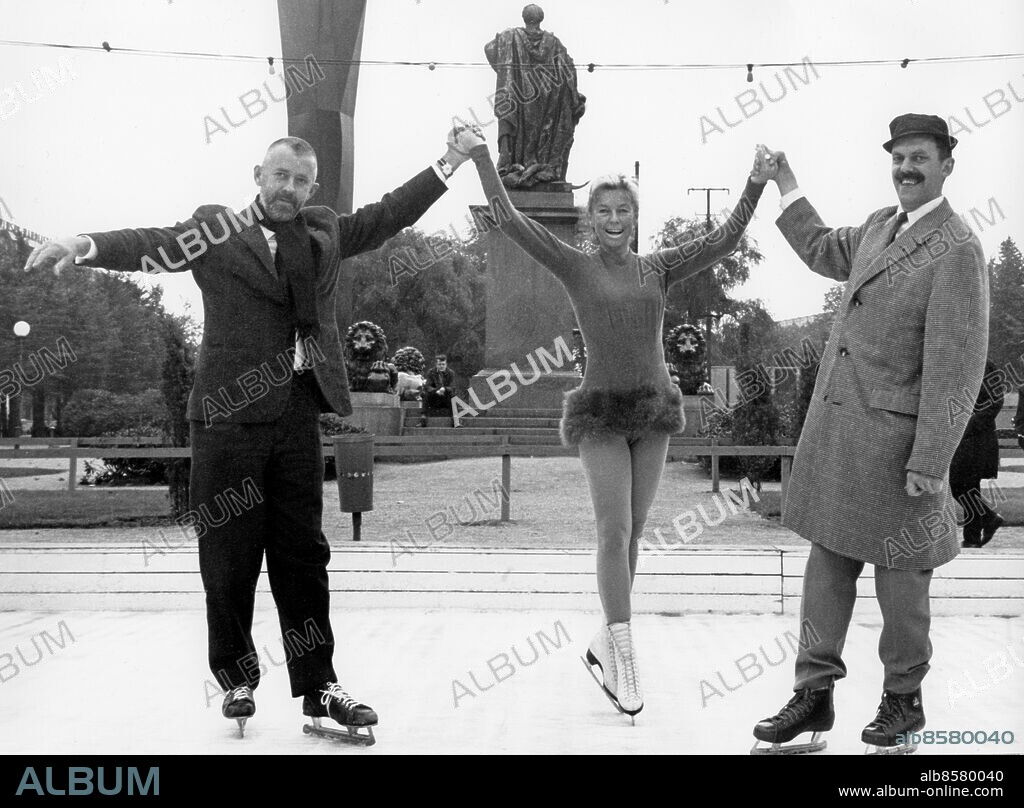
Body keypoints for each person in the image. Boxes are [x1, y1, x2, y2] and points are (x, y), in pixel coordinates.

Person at [24, 130, 472, 742]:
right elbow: (153, 243)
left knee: (304, 556)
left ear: (312, 188)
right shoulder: (216, 230)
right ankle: (237, 679)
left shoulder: (324, 231)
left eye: (301, 180)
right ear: (258, 175)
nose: (289, 188)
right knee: (228, 554)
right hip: (226, 418)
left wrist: (451, 160)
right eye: (280, 175)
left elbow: (388, 213)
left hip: (296, 415)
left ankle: (320, 685)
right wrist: (84, 244)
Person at [455, 124, 772, 718]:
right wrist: (479, 157)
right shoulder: (575, 266)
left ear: (635, 216)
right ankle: (625, 652)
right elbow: (510, 220)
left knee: (635, 529)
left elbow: (726, 238)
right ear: (590, 219)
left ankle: (607, 637)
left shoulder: (659, 267)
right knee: (613, 530)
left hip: (652, 412)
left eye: (623, 209)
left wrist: (754, 183)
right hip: (600, 414)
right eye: (603, 210)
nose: (614, 218)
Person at [751, 114, 989, 755]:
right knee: (826, 566)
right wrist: (785, 181)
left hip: (900, 449)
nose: (906, 169)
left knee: (901, 579)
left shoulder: (958, 248)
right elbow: (819, 246)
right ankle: (813, 696)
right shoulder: (881, 225)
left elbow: (957, 367)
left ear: (946, 166)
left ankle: (903, 703)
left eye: (919, 158)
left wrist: (931, 458)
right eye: (898, 158)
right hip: (841, 437)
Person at [483, 4, 586, 188]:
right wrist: (574, 96)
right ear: (541, 18)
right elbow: (569, 69)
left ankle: (518, 165)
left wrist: (506, 69)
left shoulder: (510, 36)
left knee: (519, 134)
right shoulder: (554, 43)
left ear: (524, 18)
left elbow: (489, 49)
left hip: (518, 96)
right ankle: (537, 165)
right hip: (546, 101)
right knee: (543, 136)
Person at [950, 360, 1004, 547]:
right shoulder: (966, 363)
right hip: (969, 436)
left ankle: (989, 518)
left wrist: (968, 424)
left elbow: (995, 402)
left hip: (976, 437)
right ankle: (972, 537)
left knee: (956, 483)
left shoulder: (984, 365)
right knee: (969, 487)